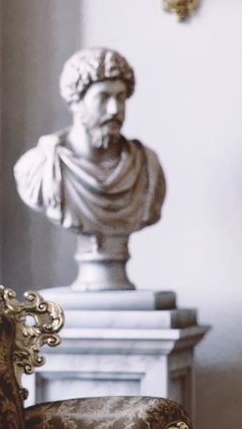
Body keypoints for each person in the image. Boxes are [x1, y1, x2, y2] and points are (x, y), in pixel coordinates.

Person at [14, 48, 165, 289]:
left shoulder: (148, 166)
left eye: (121, 97)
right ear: (76, 101)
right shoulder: (39, 169)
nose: (115, 110)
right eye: (104, 97)